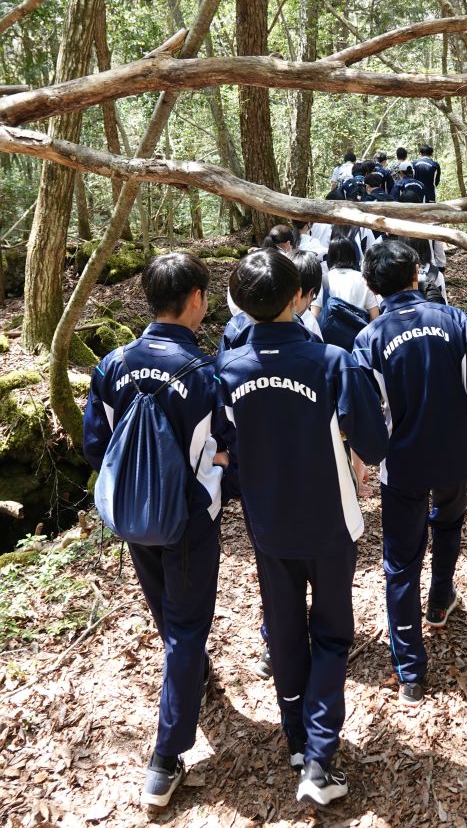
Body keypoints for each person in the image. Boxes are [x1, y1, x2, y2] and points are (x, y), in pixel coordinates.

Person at [216, 250, 387, 806]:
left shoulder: (227, 370)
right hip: (329, 521)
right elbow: (373, 442)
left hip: (268, 525)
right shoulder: (332, 361)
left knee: (284, 629)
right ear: (298, 296)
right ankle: (318, 757)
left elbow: (222, 446)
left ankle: (297, 738)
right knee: (332, 635)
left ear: (241, 305)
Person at [352, 241, 467, 707]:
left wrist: (359, 463)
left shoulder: (369, 339)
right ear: (416, 273)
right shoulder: (455, 321)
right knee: (448, 524)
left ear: (372, 286)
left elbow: (365, 413)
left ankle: (410, 672)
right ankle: (440, 597)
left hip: (403, 465)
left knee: (401, 562)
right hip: (455, 456)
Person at [83, 253, 228, 810]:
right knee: (187, 627)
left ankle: (192, 673)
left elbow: (96, 444)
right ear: (195, 298)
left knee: (170, 615)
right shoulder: (205, 374)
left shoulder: (112, 365)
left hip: (133, 516)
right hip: (188, 521)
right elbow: (225, 447)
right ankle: (165, 759)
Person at [311, 235, 379, 325]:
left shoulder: (323, 280)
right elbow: (375, 316)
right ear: (353, 255)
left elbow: (315, 315)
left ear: (330, 256)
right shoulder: (363, 279)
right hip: (358, 331)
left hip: (329, 332)